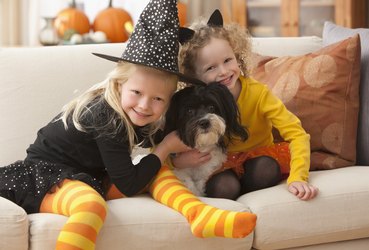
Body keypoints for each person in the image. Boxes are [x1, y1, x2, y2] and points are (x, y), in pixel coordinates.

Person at [0, 3, 256, 250]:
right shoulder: (105, 115)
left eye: (157, 99)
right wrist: (166, 147)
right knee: (91, 206)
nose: (145, 105)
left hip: (89, 176)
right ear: (119, 84)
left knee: (158, 173)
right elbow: (128, 184)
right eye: (136, 92)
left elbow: (140, 167)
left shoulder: (141, 116)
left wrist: (170, 159)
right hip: (48, 177)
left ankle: (199, 214)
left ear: (168, 101)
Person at [175, 10, 319, 201]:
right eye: (211, 68)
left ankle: (248, 190)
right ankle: (236, 191)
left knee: (265, 168)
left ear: (237, 56)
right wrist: (177, 161)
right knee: (224, 186)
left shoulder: (258, 94)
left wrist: (298, 177)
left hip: (258, 160)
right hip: (222, 165)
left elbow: (297, 133)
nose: (224, 71)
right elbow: (166, 140)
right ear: (194, 76)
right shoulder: (194, 102)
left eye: (228, 60)